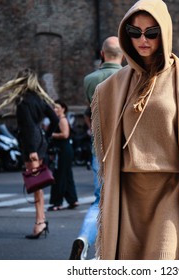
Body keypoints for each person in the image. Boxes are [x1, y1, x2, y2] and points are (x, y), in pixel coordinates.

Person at [91, 0, 179, 260]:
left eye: (152, 32)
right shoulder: (113, 86)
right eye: (134, 32)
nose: (143, 39)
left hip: (173, 189)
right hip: (128, 191)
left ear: (165, 33)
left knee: (165, 260)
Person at [0, 68, 59, 239]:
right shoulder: (39, 99)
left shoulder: (23, 103)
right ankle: (41, 220)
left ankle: (40, 222)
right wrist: (47, 136)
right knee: (38, 183)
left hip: (31, 143)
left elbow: (28, 127)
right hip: (39, 140)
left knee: (36, 184)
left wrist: (31, 150)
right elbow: (55, 119)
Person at [69, 36, 123, 260]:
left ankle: (84, 238)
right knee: (123, 202)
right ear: (124, 55)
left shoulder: (90, 80)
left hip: (98, 148)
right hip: (123, 149)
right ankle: (107, 251)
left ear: (102, 54)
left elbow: (91, 112)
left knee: (99, 200)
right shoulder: (130, 77)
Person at [48, 100, 79, 211]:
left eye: (57, 108)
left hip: (63, 150)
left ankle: (57, 203)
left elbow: (65, 134)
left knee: (59, 176)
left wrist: (51, 134)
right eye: (54, 108)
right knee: (66, 175)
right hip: (63, 150)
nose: (54, 110)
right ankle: (72, 200)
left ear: (63, 109)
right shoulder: (59, 119)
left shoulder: (62, 120)